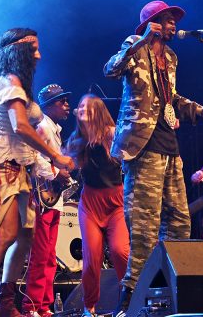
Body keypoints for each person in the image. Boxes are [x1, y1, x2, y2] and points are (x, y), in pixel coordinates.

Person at [103, 0, 203, 313]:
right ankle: (128, 302)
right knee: (143, 231)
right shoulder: (134, 47)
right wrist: (141, 39)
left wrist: (200, 111)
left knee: (180, 224)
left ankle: (167, 293)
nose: (174, 26)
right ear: (153, 22)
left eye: (173, 21)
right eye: (168, 20)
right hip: (142, 149)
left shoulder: (171, 57)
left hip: (171, 150)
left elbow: (172, 99)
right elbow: (111, 69)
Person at [0, 29, 74, 317]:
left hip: (22, 168)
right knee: (3, 235)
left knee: (25, 236)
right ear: (16, 50)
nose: (38, 55)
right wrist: (56, 156)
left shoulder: (21, 85)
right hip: (0, 163)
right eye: (33, 48)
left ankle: (4, 301)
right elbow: (20, 126)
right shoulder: (8, 81)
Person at [65, 94, 129, 317]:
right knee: (92, 258)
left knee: (120, 251)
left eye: (86, 106)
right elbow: (66, 165)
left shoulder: (111, 133)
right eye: (80, 105)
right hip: (90, 203)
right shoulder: (76, 139)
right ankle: (89, 307)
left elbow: (132, 147)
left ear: (97, 110)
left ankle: (128, 302)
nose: (81, 108)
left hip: (116, 201)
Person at [22, 84, 72, 317]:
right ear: (49, 105)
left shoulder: (54, 128)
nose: (66, 105)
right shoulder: (42, 127)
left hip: (53, 198)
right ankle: (32, 305)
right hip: (43, 198)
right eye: (61, 102)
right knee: (41, 254)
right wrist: (55, 173)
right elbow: (34, 157)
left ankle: (44, 306)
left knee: (50, 256)